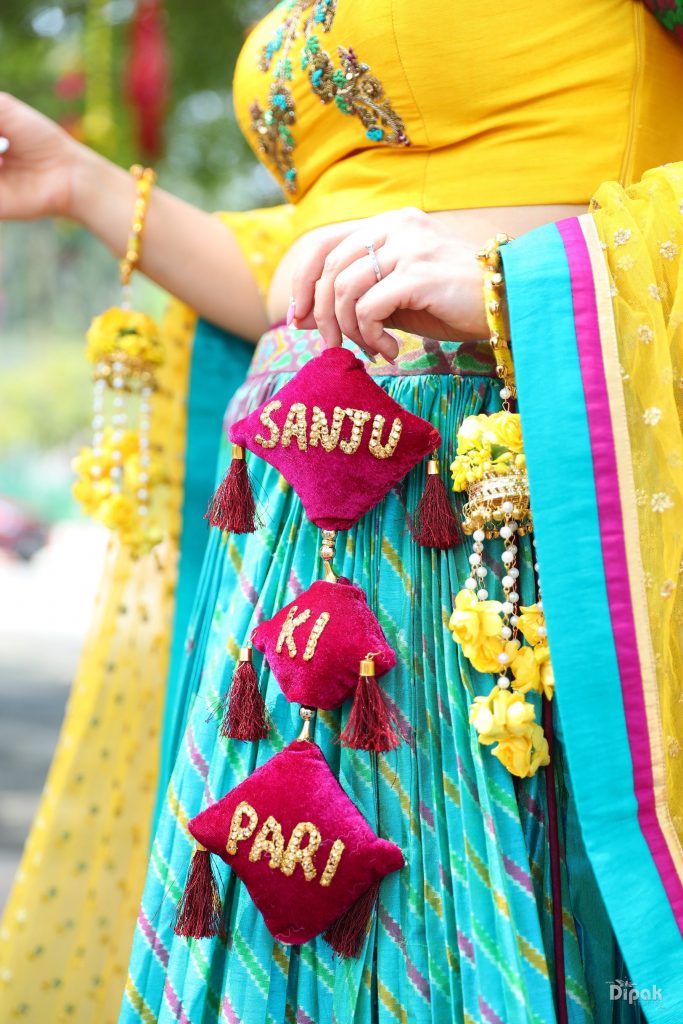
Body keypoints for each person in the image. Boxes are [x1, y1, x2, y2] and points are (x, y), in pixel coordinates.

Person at [0, 1, 681, 1021]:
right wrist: (81, 182)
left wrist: (523, 280)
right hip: (298, 530)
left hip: (519, 500)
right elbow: (294, 276)